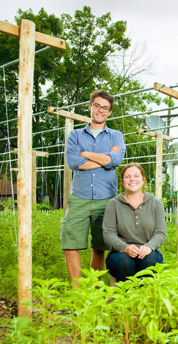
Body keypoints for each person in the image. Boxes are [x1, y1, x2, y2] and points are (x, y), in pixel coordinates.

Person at [61, 90, 125, 287]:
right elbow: (74, 162)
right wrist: (105, 158)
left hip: (106, 198)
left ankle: (94, 290)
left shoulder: (116, 135)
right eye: (97, 106)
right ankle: (79, 292)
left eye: (105, 108)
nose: (101, 110)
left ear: (110, 112)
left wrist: (86, 154)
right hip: (79, 196)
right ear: (90, 107)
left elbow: (116, 160)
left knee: (100, 246)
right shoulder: (76, 135)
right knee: (69, 245)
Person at [103, 163, 167, 282]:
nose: (132, 179)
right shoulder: (114, 204)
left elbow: (160, 232)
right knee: (123, 262)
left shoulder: (155, 203)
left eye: (136, 176)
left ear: (143, 180)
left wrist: (149, 246)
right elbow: (108, 233)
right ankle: (127, 298)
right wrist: (125, 247)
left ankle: (145, 297)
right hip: (120, 253)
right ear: (122, 181)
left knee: (151, 262)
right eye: (127, 177)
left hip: (149, 252)